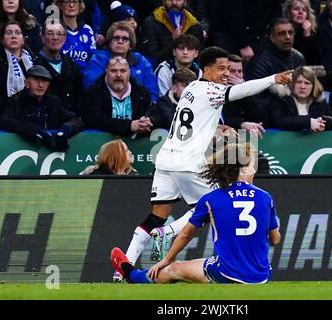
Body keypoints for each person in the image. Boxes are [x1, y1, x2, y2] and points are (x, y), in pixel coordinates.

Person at [111, 46, 291, 282]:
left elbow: (192, 122)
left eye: (229, 68)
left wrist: (216, 128)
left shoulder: (191, 89)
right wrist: (273, 79)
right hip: (188, 162)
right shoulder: (212, 90)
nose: (226, 73)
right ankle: (167, 234)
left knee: (156, 216)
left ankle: (122, 270)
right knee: (212, 206)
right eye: (221, 68)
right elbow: (241, 91)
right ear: (206, 69)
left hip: (166, 160)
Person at [110, 142, 281, 284]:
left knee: (174, 269)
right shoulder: (265, 197)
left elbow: (185, 234)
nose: (254, 170)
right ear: (242, 169)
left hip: (226, 273)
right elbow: (275, 239)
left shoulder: (211, 199)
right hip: (261, 277)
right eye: (252, 166)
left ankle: (133, 276)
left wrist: (166, 260)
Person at [0, 65, 85, 152]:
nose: (40, 85)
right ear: (26, 83)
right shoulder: (15, 101)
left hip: (51, 154)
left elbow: (76, 121)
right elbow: (5, 121)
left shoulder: (53, 101)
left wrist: (64, 131)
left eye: (44, 81)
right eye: (36, 80)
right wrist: (34, 131)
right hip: (19, 151)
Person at [82, 56, 161, 136]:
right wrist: (129, 126)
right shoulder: (93, 93)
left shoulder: (142, 93)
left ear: (129, 73)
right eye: (113, 71)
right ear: (106, 72)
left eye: (123, 71)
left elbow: (156, 115)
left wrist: (149, 122)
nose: (118, 75)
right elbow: (94, 120)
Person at [0, 20, 38, 129]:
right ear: (1, 39)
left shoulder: (33, 61)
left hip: (32, 115)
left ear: (23, 39)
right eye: (9, 33)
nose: (13, 36)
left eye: (17, 32)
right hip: (2, 119)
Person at [82, 21, 158, 102]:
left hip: (138, 109)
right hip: (104, 107)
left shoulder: (141, 61)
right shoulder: (98, 59)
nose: (120, 41)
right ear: (110, 42)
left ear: (130, 45)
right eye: (116, 38)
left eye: (125, 39)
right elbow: (91, 89)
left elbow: (152, 93)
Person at [246, 18, 305, 110]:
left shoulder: (299, 57)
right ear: (272, 38)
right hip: (272, 111)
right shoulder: (260, 62)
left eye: (290, 32)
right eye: (282, 33)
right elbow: (256, 98)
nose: (288, 37)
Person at [269, 66, 332, 132]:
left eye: (307, 83)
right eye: (299, 82)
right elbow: (278, 121)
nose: (302, 87)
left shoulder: (319, 99)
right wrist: (308, 122)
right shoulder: (283, 98)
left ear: (313, 86)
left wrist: (321, 121)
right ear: (292, 84)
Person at [37, 19, 84, 116]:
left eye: (60, 34)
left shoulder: (73, 66)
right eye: (50, 33)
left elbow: (80, 99)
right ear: (42, 37)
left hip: (72, 121)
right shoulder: (33, 64)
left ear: (65, 38)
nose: (55, 37)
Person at [209, 0, 282, 62]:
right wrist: (243, 45)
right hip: (230, 35)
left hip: (258, 35)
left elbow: (276, 10)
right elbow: (233, 13)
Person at [139, 0, 204, 68]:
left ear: (185, 1)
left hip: (191, 72)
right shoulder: (151, 23)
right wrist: (174, 42)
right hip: (160, 72)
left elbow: (200, 57)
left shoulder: (194, 24)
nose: (174, 3)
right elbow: (151, 59)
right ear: (163, 1)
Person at [222, 54, 267, 136]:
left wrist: (243, 90)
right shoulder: (214, 90)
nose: (237, 75)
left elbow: (261, 118)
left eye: (240, 71)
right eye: (232, 71)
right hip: (219, 139)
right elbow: (219, 119)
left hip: (242, 138)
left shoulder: (248, 88)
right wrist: (241, 124)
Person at [55, 0, 96, 71]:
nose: (71, 5)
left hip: (84, 77)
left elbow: (92, 58)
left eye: (75, 2)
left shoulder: (87, 30)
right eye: (67, 2)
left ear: (80, 5)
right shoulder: (55, 29)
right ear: (60, 5)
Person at [282, 0, 322, 66]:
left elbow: (316, 62)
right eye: (296, 9)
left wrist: (307, 36)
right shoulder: (282, 30)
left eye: (304, 10)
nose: (300, 12)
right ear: (288, 12)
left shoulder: (314, 32)